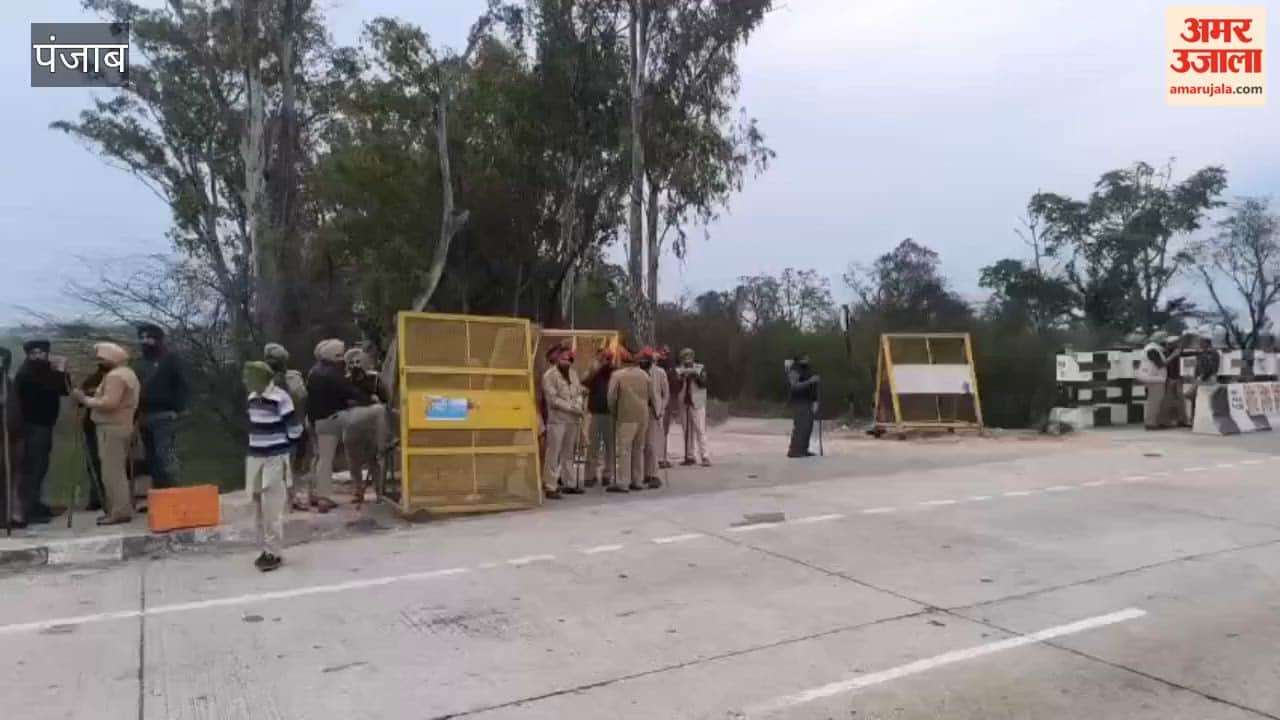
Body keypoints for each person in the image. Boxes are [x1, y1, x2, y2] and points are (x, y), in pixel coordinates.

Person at [243, 361, 304, 572]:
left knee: (272, 506)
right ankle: (265, 548)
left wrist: (286, 447)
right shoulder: (252, 398)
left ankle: (274, 552)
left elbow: (295, 428)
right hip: (256, 457)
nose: (245, 380)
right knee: (259, 506)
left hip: (275, 457)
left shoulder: (280, 398)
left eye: (248, 375)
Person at [70, 343, 139, 525]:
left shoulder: (116, 376)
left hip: (112, 426)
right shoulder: (128, 373)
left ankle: (119, 511)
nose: (99, 362)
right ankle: (120, 508)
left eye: (101, 359)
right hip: (121, 425)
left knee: (111, 473)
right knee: (116, 471)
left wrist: (84, 399)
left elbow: (109, 403)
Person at [14, 339, 68, 523]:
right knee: (32, 468)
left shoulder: (44, 371)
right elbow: (50, 388)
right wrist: (58, 371)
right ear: (28, 355)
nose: (38, 356)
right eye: (34, 353)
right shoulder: (26, 373)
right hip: (32, 426)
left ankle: (35, 505)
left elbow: (64, 389)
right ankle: (28, 509)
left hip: (44, 425)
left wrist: (61, 371)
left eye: (41, 353)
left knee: (40, 467)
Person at [304, 339, 360, 513]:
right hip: (329, 419)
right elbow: (349, 393)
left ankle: (313, 493)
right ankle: (324, 498)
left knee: (318, 459)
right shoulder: (334, 374)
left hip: (314, 420)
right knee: (326, 460)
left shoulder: (314, 372)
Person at [136, 323, 189, 489]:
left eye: (148, 337)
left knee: (165, 455)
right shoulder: (140, 362)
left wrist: (180, 408)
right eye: (142, 337)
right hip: (144, 414)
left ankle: (174, 493)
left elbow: (182, 384)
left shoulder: (170, 359)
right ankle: (159, 495)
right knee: (152, 458)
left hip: (165, 413)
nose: (145, 341)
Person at [265, 343, 310, 509]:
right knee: (290, 465)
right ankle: (289, 498)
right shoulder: (293, 378)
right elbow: (302, 397)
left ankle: (285, 498)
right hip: (289, 425)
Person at [343, 347, 390, 506]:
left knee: (374, 459)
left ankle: (379, 492)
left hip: (373, 424)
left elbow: (386, 399)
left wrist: (377, 399)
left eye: (359, 361)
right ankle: (358, 491)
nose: (356, 365)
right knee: (353, 461)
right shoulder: (345, 381)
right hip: (352, 423)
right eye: (352, 362)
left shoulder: (375, 379)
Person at [607, 349, 656, 492]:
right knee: (638, 449)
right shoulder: (644, 375)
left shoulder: (617, 375)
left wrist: (614, 412)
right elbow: (652, 395)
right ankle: (637, 481)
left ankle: (623, 482)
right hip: (643, 416)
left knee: (624, 450)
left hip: (626, 416)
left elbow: (611, 397)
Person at [541, 346, 585, 498]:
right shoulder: (549, 375)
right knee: (554, 453)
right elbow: (552, 399)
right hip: (557, 420)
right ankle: (550, 486)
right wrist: (571, 407)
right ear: (558, 359)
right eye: (564, 359)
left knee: (569, 453)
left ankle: (569, 483)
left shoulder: (573, 373)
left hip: (572, 420)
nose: (567, 362)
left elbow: (578, 392)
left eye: (569, 359)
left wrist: (578, 405)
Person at [582, 348, 615, 488]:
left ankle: (608, 474)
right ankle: (590, 475)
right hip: (595, 413)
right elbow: (584, 383)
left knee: (610, 447)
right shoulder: (592, 371)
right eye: (601, 357)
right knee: (592, 446)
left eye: (606, 357)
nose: (604, 360)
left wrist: (607, 366)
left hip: (610, 413)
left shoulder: (613, 372)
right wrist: (595, 368)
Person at [0, 348, 24, 528]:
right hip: (4, 438)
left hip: (13, 437)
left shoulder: (7, 381)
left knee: (13, 477)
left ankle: (10, 514)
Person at [79, 365, 107, 512]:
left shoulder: (119, 377)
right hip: (92, 426)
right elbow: (80, 401)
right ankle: (96, 498)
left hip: (111, 425)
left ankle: (112, 498)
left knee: (110, 463)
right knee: (94, 463)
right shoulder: (92, 379)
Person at [675, 348, 710, 466]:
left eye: (689, 355)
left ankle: (705, 456)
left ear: (693, 356)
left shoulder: (700, 367)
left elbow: (704, 383)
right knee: (687, 431)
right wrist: (681, 377)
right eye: (684, 356)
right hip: (684, 402)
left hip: (697, 401)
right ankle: (689, 456)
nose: (687, 358)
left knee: (700, 429)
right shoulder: (679, 369)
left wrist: (695, 375)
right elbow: (675, 385)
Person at [639, 348, 668, 488]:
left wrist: (661, 409)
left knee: (651, 444)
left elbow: (665, 394)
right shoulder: (637, 371)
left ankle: (653, 474)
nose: (644, 360)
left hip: (653, 411)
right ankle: (643, 474)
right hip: (638, 410)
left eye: (647, 358)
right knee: (640, 444)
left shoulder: (660, 372)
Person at [786, 353, 820, 458]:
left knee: (807, 427)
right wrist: (810, 381)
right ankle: (794, 450)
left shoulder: (808, 370)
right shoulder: (795, 370)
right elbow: (794, 386)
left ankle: (803, 449)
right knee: (800, 427)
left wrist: (815, 401)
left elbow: (813, 387)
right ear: (800, 359)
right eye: (805, 357)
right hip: (799, 402)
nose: (808, 359)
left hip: (808, 401)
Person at [658, 346, 678, 469]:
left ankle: (661, 457)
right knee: (662, 431)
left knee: (662, 431)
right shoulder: (665, 371)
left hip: (662, 402)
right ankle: (661, 458)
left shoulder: (663, 370)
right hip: (662, 403)